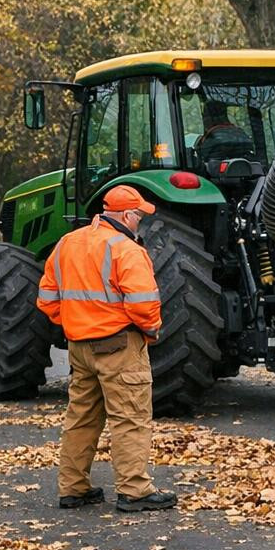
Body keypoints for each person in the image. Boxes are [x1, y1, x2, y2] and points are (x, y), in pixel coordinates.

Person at [37, 184, 177, 512]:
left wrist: (77, 324)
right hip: (118, 346)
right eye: (139, 216)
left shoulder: (67, 243)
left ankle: (73, 488)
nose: (139, 222)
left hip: (79, 348)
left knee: (81, 417)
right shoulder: (126, 249)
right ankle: (134, 491)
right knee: (130, 417)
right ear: (127, 215)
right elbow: (144, 305)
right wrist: (150, 332)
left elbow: (46, 298)